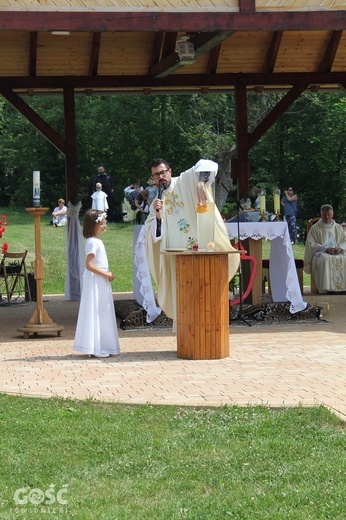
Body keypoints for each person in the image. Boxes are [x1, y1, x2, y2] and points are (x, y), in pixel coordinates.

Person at [145, 157, 240, 324]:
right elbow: (153, 235)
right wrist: (158, 217)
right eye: (155, 175)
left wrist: (200, 184)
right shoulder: (156, 203)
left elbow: (208, 165)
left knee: (204, 290)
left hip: (199, 250)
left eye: (162, 172)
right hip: (176, 258)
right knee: (183, 296)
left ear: (170, 171)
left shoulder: (183, 181)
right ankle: (186, 330)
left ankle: (208, 326)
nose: (160, 177)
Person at [73, 209, 120, 358]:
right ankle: (96, 346)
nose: (104, 226)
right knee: (97, 311)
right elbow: (89, 265)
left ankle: (103, 344)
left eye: (104, 222)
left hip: (100, 281)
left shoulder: (96, 241)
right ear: (93, 224)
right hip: (96, 281)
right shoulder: (92, 242)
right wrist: (106, 274)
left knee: (102, 311)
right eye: (102, 223)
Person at [304, 204, 346, 293]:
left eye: (329, 214)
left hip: (336, 251)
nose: (327, 217)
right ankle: (327, 288)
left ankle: (342, 288)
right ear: (321, 215)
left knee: (344, 258)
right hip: (321, 252)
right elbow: (311, 243)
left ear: (332, 214)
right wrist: (325, 249)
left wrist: (340, 248)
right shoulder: (315, 228)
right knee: (325, 259)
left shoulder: (337, 227)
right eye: (324, 215)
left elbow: (344, 240)